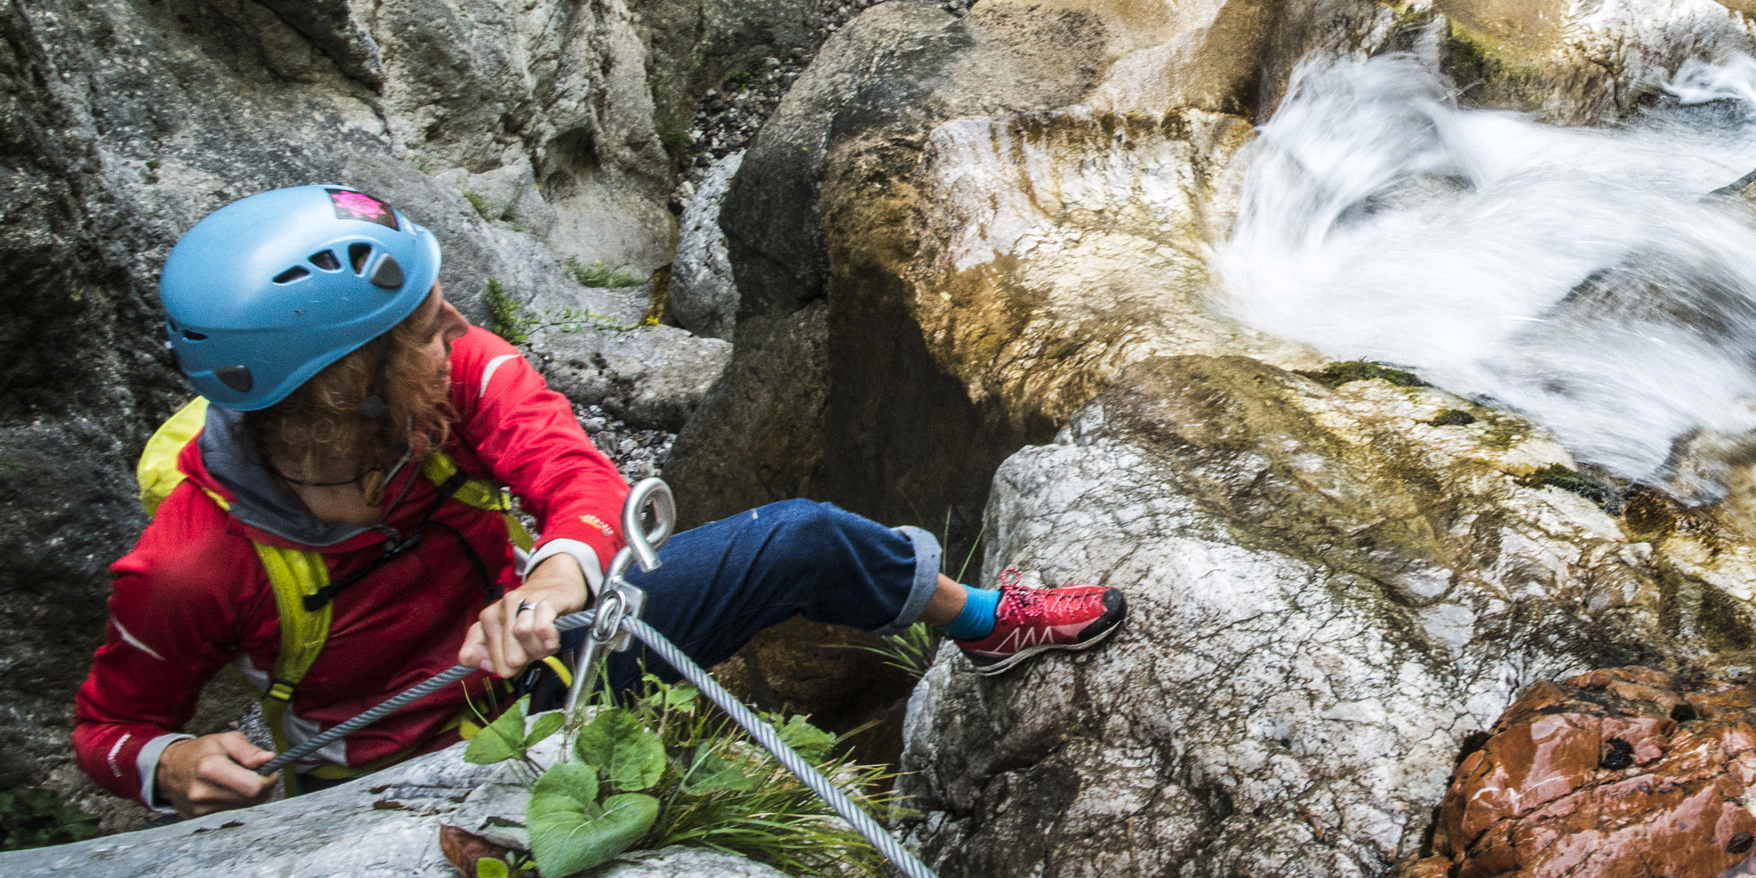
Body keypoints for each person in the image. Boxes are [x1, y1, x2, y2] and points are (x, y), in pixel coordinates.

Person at [73, 184, 1128, 814]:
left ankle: (983, 624)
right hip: (400, 769)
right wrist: (171, 763)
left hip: (558, 655)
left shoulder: (461, 384)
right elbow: (110, 728)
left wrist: (552, 577)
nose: (459, 334)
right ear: (343, 383)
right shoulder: (191, 562)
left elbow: (581, 483)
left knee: (802, 536)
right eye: (424, 330)